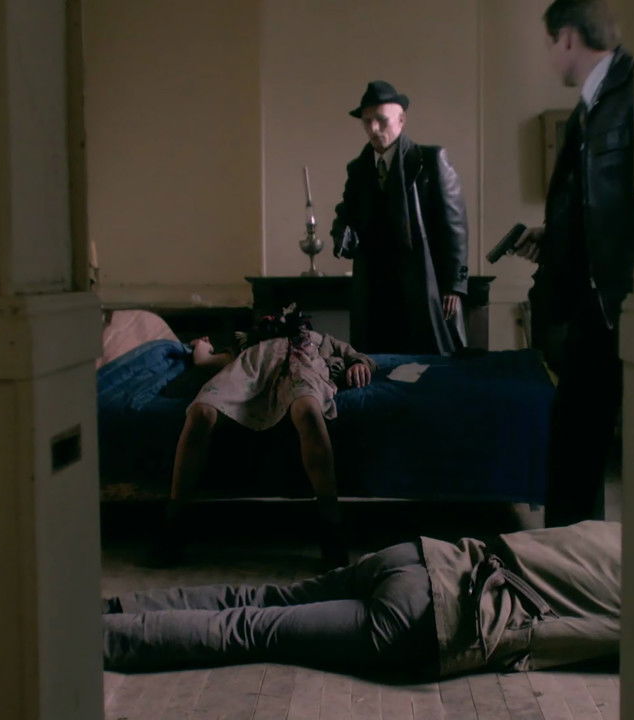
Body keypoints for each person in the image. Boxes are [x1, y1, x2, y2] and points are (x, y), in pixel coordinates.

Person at [104, 520, 621, 677]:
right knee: (248, 629)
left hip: (421, 555)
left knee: (258, 595)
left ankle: (110, 611)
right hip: (431, 617)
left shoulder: (620, 532)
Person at [511, 0, 634, 526]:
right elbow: (597, 206)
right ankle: (567, 557)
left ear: (566, 37)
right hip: (590, 307)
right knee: (572, 456)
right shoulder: (592, 106)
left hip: (621, 305)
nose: (549, 57)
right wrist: (557, 238)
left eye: (549, 44)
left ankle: (572, 557)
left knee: (595, 454)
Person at [158, 306, 375, 568]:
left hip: (301, 369)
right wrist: (201, 346)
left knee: (308, 411)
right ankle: (174, 522)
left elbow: (359, 356)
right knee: (200, 412)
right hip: (249, 372)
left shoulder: (321, 340)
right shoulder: (247, 342)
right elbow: (205, 361)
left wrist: (359, 365)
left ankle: (331, 524)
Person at [330, 80, 471, 355]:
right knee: (376, 358)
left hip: (422, 282)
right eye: (367, 121)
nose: (373, 128)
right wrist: (341, 232)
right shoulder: (358, 169)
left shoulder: (430, 160)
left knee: (428, 360)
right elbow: (347, 212)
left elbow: (454, 226)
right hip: (374, 284)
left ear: (401, 120)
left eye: (381, 120)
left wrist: (454, 286)